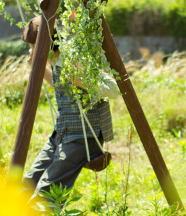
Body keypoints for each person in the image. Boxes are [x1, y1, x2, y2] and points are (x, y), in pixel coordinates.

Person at [23, 33, 118, 201]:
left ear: (47, 45)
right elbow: (62, 87)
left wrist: (82, 81)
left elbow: (113, 89)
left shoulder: (75, 60)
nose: (31, 53)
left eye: (32, 48)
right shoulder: (54, 62)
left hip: (84, 136)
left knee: (47, 189)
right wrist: (38, 69)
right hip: (62, 133)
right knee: (29, 181)